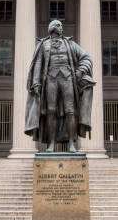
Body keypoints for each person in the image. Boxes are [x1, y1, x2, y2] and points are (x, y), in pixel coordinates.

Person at [24, 20, 95, 152]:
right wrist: (35, 82)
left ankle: (71, 144)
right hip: (50, 78)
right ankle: (51, 143)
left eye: (61, 25)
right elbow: (38, 63)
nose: (61, 28)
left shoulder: (70, 44)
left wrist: (80, 71)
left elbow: (86, 57)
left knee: (70, 111)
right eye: (59, 25)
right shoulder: (43, 45)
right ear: (52, 28)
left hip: (67, 78)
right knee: (51, 111)